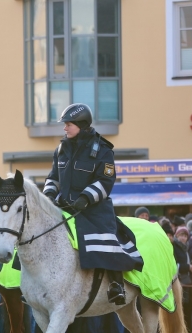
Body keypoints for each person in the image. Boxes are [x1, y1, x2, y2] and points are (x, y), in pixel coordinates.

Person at [43, 103, 142, 305]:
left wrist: (86, 198)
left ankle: (116, 285)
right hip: (64, 206)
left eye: (68, 124)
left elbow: (106, 181)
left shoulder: (104, 150)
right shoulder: (61, 149)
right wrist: (48, 196)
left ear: (81, 125)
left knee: (108, 238)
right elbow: (53, 177)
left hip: (93, 207)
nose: (65, 128)